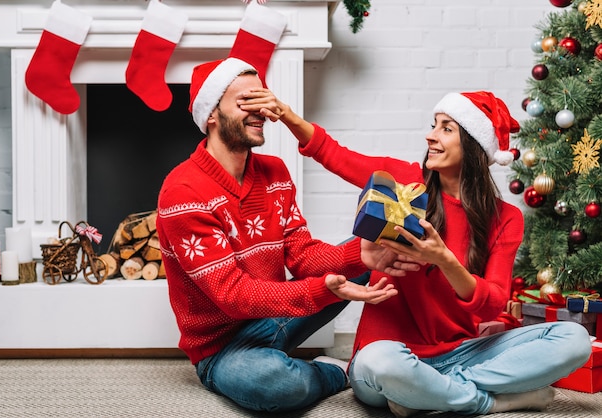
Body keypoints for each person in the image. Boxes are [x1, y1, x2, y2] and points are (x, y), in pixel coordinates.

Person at [236, 89, 593, 416]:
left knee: (574, 340)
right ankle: (488, 401)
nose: (430, 136)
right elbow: (334, 155)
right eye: (433, 126)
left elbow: (493, 303)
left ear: (472, 145)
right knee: (381, 364)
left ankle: (428, 393)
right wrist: (288, 116)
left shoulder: (505, 219)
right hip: (389, 354)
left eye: (446, 128)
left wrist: (444, 260)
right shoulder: (406, 183)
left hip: (460, 354)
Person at [154, 49, 410, 411]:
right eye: (247, 101)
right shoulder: (183, 192)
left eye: (264, 99)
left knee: (373, 246)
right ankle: (338, 373)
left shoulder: (273, 173)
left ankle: (416, 349)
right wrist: (322, 291)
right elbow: (233, 295)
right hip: (222, 349)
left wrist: (359, 256)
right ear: (211, 113)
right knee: (276, 385)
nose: (261, 111)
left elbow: (302, 254)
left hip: (274, 313)